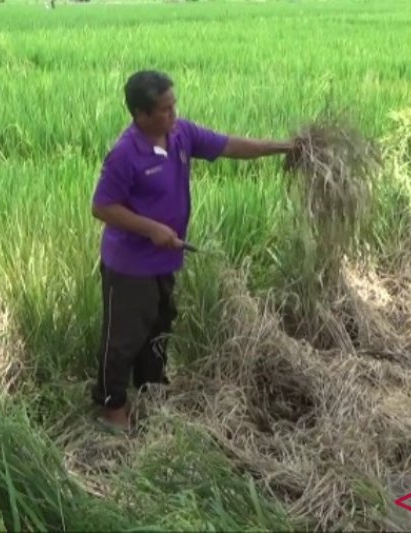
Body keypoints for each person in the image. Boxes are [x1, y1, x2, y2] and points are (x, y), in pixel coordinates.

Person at [90, 70, 295, 433]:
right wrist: (151, 228)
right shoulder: (125, 154)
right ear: (140, 114)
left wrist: (284, 147)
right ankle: (112, 407)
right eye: (165, 109)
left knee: (159, 327)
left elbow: (230, 145)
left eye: (174, 106)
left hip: (165, 260)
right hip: (130, 266)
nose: (173, 114)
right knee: (122, 340)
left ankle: (152, 391)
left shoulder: (181, 134)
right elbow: (103, 207)